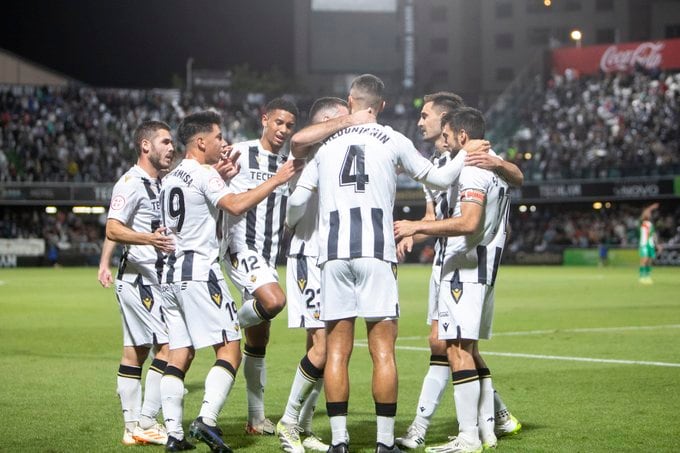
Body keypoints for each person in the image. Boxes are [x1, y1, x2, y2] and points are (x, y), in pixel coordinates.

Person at [287, 74, 486, 453]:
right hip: (377, 254)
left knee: (337, 351)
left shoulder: (327, 144)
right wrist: (467, 152)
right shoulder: (393, 139)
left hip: (332, 256)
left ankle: (340, 442)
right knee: (382, 352)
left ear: (350, 101)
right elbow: (442, 178)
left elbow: (297, 203)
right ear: (381, 106)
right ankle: (382, 443)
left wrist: (296, 222)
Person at [158, 110, 302, 452]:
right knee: (230, 348)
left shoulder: (170, 178)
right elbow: (236, 205)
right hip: (200, 274)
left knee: (179, 353)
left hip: (170, 276)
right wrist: (277, 179)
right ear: (201, 142)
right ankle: (206, 419)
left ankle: (173, 434)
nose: (223, 143)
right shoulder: (205, 173)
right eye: (219, 137)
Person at [395, 94, 523, 449]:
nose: (420, 122)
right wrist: (417, 230)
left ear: (449, 124)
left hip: (467, 261)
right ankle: (489, 423)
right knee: (452, 342)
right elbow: (434, 214)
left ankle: (452, 430)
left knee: (452, 344)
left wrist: (497, 164)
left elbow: (512, 179)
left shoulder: (477, 160)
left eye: (425, 116)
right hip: (448, 260)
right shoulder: (439, 165)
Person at [277, 97, 375, 453]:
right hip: (309, 257)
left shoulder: (337, 156)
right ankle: (288, 422)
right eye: (343, 120)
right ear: (332, 121)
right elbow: (297, 146)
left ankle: (303, 426)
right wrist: (291, 223)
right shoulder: (307, 155)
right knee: (325, 346)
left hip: (330, 259)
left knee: (322, 347)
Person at [219, 98, 302, 435]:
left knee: (259, 338)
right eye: (278, 122)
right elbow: (211, 186)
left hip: (268, 256)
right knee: (273, 302)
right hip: (241, 248)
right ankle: (222, 325)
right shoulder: (239, 152)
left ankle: (256, 419)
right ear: (264, 119)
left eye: (289, 125)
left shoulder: (292, 163)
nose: (283, 130)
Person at [97, 120, 176, 446]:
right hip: (140, 281)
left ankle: (132, 428)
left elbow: (117, 229)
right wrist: (149, 240)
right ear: (146, 146)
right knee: (171, 349)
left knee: (134, 353)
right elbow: (113, 227)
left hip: (147, 279)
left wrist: (103, 262)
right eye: (165, 142)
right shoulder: (130, 183)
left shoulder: (159, 183)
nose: (171, 148)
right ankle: (145, 420)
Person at [639, 202, 659, 284]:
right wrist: (652, 207)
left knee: (649, 261)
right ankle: (642, 277)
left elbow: (653, 235)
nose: (649, 214)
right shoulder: (642, 222)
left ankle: (647, 276)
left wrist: (657, 244)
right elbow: (645, 212)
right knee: (644, 260)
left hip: (650, 244)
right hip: (644, 244)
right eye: (648, 213)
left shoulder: (650, 224)